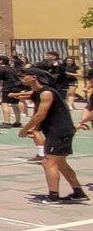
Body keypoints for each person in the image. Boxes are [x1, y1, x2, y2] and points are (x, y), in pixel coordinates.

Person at [19, 69, 88, 204]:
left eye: (24, 76)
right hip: (57, 130)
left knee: (48, 162)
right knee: (61, 164)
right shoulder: (40, 92)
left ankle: (53, 196)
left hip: (59, 131)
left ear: (34, 77)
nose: (22, 78)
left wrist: (25, 129)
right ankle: (78, 193)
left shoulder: (46, 92)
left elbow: (40, 114)